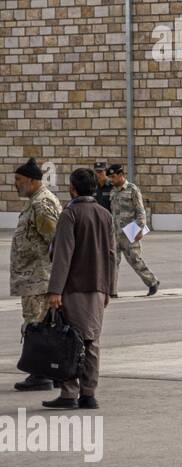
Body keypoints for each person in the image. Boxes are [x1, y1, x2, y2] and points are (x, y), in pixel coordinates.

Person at [43, 167, 115, 410]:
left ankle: (68, 393)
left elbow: (63, 255)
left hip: (73, 287)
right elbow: (112, 255)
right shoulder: (105, 214)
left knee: (70, 341)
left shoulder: (70, 214)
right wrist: (109, 289)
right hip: (98, 287)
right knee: (91, 341)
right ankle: (88, 393)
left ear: (72, 188)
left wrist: (55, 291)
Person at [11, 158, 62, 391]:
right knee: (35, 323)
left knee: (37, 325)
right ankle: (41, 370)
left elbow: (56, 242)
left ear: (32, 181)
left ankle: (41, 374)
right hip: (33, 277)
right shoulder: (34, 202)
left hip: (39, 279)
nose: (16, 184)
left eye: (19, 180)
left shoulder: (42, 204)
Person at [107, 163, 160, 298]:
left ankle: (152, 282)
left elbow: (141, 213)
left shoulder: (132, 190)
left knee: (135, 260)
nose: (111, 180)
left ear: (121, 175)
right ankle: (111, 291)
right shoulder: (113, 191)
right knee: (112, 262)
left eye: (113, 177)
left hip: (129, 232)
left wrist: (138, 231)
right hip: (115, 233)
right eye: (110, 177)